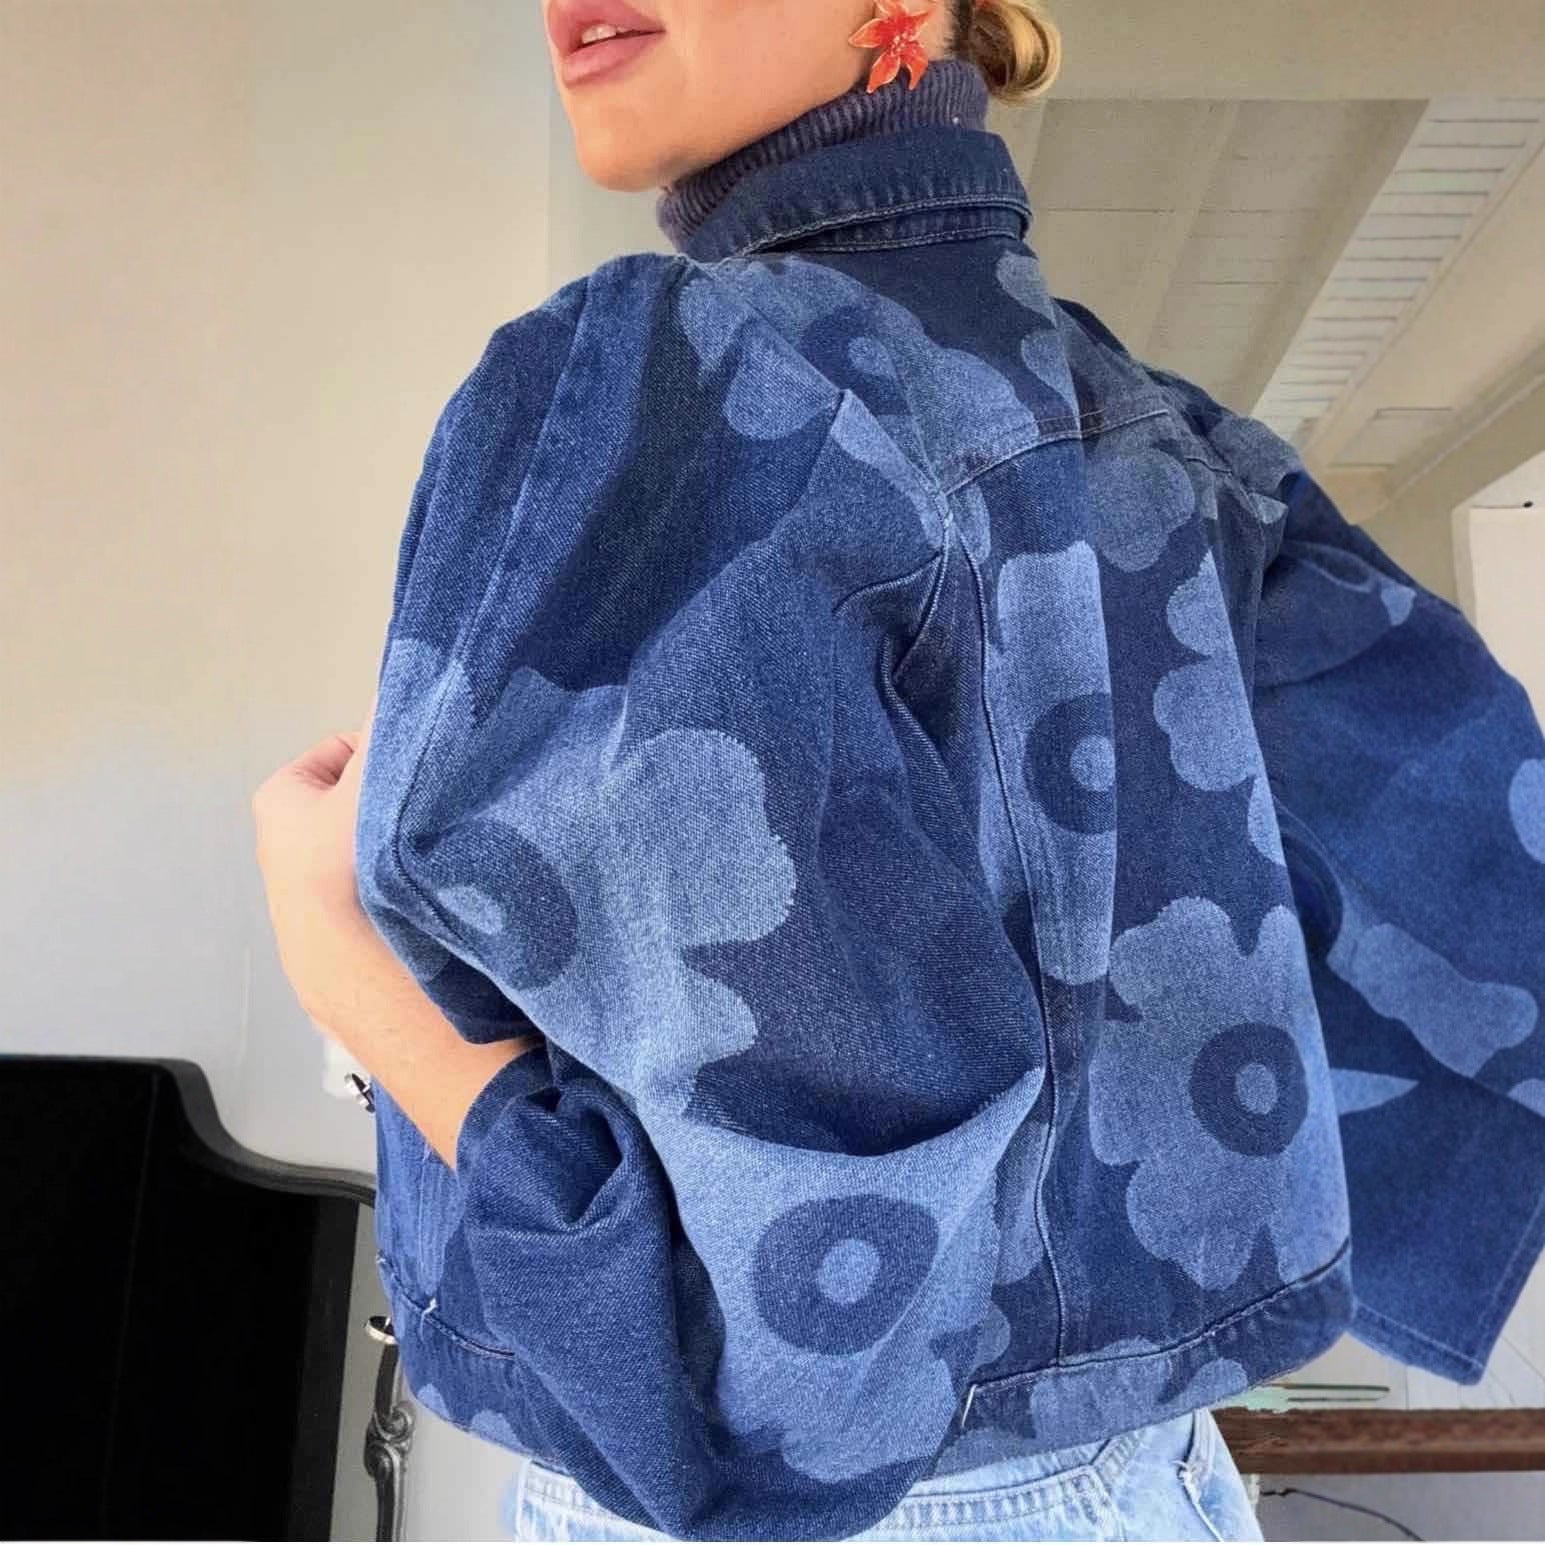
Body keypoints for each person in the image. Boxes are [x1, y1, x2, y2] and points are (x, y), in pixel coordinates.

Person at [252, 0, 1545, 1540]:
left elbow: (776, 1391)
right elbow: (1474, 915)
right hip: (1153, 1484)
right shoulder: (1164, 440)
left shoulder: (685, 388)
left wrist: (350, 972)